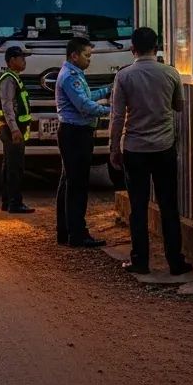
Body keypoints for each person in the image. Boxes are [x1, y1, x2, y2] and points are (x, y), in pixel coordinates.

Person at [109, 26, 193, 276]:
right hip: (164, 147)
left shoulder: (123, 77)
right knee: (169, 205)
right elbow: (179, 106)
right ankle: (175, 262)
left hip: (135, 149)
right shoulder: (171, 73)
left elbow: (117, 116)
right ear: (157, 47)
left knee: (138, 206)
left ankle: (141, 261)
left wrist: (114, 148)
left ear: (132, 49)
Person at [54, 36, 110, 247]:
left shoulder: (74, 74)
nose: (89, 60)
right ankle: (78, 233)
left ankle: (66, 230)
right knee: (77, 185)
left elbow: (86, 96)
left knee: (68, 182)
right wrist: (113, 110)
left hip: (73, 132)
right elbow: (85, 106)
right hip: (76, 133)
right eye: (87, 55)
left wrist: (106, 90)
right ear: (74, 55)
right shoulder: (70, 76)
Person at [0, 45, 34, 214]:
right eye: (21, 58)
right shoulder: (8, 79)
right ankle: (15, 203)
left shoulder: (14, 78)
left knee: (10, 165)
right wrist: (14, 129)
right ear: (12, 60)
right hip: (12, 130)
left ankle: (7, 201)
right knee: (15, 167)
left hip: (13, 129)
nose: (24, 61)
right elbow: (7, 105)